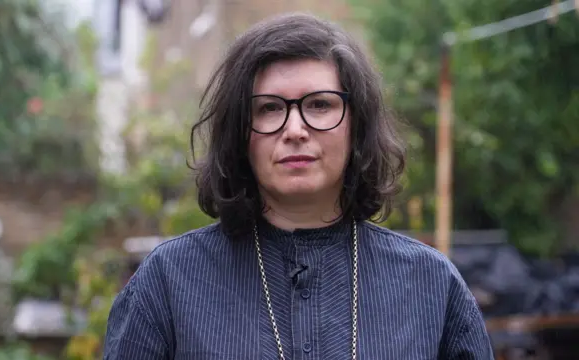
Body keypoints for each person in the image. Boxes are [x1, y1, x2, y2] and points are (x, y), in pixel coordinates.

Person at [103, 13, 494, 360]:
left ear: (357, 125)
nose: (294, 130)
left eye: (320, 105)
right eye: (269, 108)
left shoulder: (430, 285)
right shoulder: (171, 282)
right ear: (240, 133)